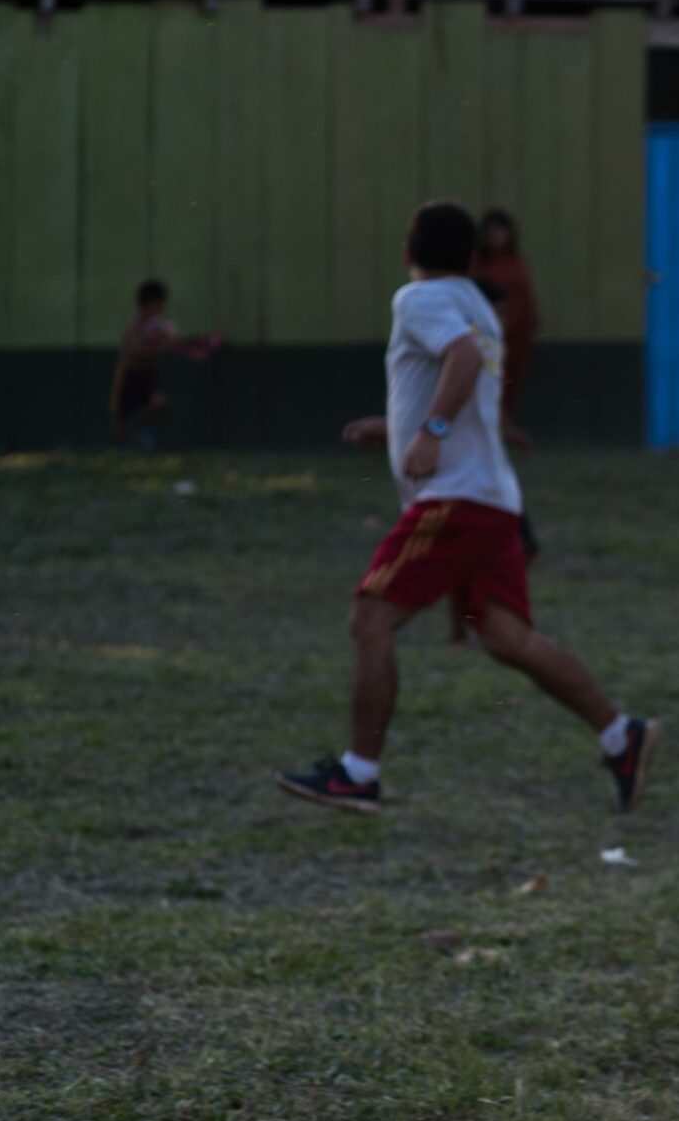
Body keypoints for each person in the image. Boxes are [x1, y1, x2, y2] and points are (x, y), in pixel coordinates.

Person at [276, 201, 657, 817]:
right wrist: (398, 430)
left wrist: (428, 431)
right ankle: (621, 736)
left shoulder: (418, 299)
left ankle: (358, 774)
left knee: (371, 619)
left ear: (407, 253)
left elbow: (462, 360)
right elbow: (468, 380)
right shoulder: (477, 305)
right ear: (473, 258)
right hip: (492, 499)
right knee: (507, 639)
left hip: (454, 499)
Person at [110, 280, 220, 450]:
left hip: (147, 375)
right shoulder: (135, 327)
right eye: (158, 305)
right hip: (129, 377)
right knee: (120, 425)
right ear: (146, 305)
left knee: (159, 403)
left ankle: (143, 428)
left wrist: (191, 343)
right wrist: (115, 396)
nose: (161, 309)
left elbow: (166, 344)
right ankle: (119, 449)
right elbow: (130, 354)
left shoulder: (159, 326)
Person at [473, 210, 538, 452]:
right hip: (487, 337)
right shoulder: (478, 264)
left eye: (501, 232)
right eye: (491, 232)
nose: (497, 237)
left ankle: (502, 430)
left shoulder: (515, 262)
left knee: (510, 384)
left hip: (516, 337)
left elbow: (526, 298)